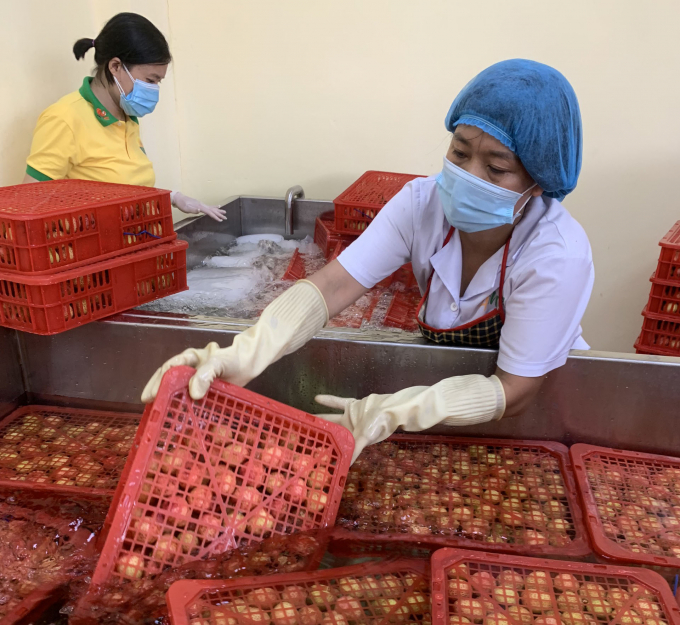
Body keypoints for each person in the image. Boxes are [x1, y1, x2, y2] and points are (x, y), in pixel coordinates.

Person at [142, 59, 594, 462]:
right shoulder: (422, 204)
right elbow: (335, 284)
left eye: (496, 168)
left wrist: (407, 409)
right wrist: (246, 352)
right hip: (448, 388)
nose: (467, 175)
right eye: (459, 153)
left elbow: (515, 391)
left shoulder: (555, 256)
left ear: (539, 182)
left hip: (533, 416)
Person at [23, 12, 225, 222]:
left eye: (158, 82)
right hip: (94, 250)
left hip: (134, 243)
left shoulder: (126, 116)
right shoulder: (64, 118)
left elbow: (126, 188)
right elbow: (29, 206)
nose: (153, 90)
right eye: (150, 80)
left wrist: (172, 197)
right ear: (115, 67)